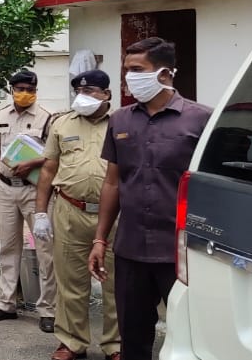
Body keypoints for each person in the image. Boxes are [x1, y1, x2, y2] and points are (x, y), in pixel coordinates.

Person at [89, 38, 211, 360]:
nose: (129, 77)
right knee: (133, 338)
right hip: (130, 251)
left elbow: (212, 188)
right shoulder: (121, 120)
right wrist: (100, 239)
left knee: (190, 336)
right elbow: (113, 182)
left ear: (165, 73)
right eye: (126, 70)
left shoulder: (201, 120)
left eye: (137, 70)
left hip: (181, 253)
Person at [34, 70, 120, 360]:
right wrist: (40, 214)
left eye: (91, 91)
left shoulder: (123, 123)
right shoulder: (61, 123)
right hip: (70, 211)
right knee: (70, 282)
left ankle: (115, 344)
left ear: (107, 94)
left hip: (115, 216)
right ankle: (72, 342)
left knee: (116, 282)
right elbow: (48, 170)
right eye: (80, 91)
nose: (83, 96)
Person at [0, 69, 57, 332]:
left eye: (30, 89)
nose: (25, 94)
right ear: (11, 89)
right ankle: (6, 304)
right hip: (5, 188)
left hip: (36, 191)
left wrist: (32, 163)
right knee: (8, 246)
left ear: (36, 90)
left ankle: (48, 309)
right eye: (20, 89)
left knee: (47, 249)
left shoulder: (47, 118)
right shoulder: (1, 115)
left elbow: (55, 156)